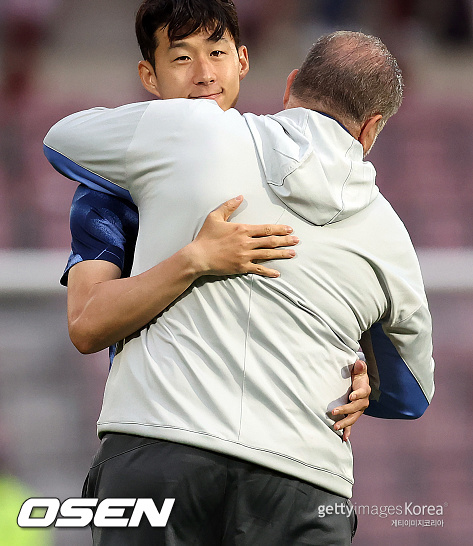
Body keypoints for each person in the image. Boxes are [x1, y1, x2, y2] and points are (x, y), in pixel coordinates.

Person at [44, 29, 435, 545]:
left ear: (290, 83)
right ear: (371, 128)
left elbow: (61, 140)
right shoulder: (390, 234)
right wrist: (368, 380)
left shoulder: (195, 135)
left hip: (163, 447)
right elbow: (411, 393)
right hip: (306, 479)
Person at [52, 0, 371, 437]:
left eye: (217, 53)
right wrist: (194, 260)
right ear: (149, 76)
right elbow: (87, 324)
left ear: (242, 61)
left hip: (279, 450)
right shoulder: (113, 185)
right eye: (182, 57)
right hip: (165, 436)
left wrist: (353, 370)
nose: (204, 73)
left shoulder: (298, 175)